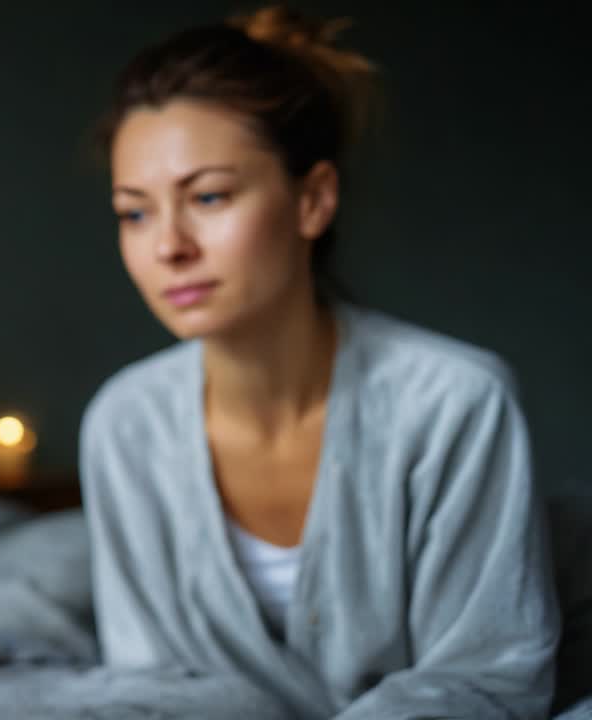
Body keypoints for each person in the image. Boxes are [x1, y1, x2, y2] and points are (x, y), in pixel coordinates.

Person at [79, 5, 559, 718]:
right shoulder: (125, 425)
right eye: (135, 212)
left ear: (313, 199)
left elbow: (491, 677)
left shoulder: (455, 403)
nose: (168, 246)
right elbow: (149, 690)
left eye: (208, 196)